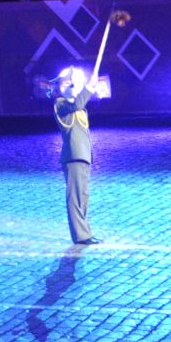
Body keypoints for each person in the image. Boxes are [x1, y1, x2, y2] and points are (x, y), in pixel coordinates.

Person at [56, 70, 100, 245]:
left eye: (72, 83)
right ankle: (80, 236)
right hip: (73, 156)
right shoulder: (60, 104)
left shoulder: (79, 105)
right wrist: (88, 87)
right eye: (65, 84)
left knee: (83, 196)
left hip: (83, 156)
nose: (70, 86)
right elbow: (76, 103)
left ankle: (85, 232)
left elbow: (78, 100)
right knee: (75, 197)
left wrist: (87, 86)